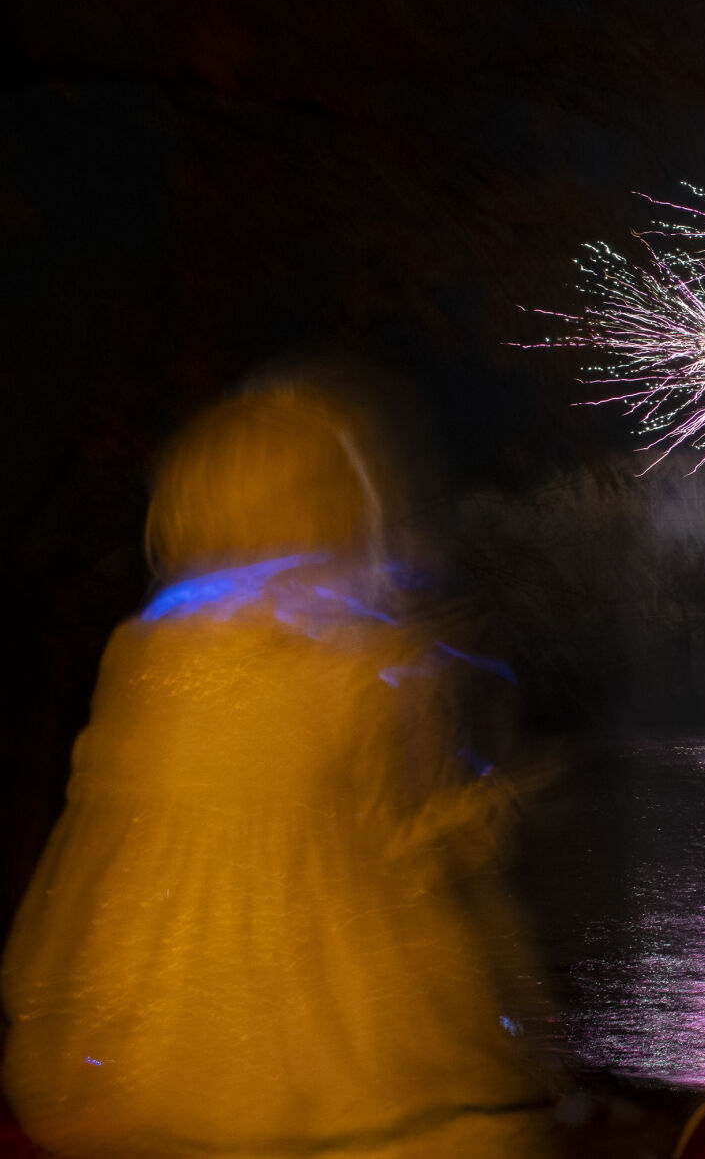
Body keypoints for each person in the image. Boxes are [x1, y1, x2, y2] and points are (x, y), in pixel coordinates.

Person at [1, 382, 553, 1157]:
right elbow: (403, 840)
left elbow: (108, 809)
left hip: (151, 990)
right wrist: (486, 804)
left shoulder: (146, 649)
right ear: (336, 503)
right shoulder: (365, 663)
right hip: (329, 991)